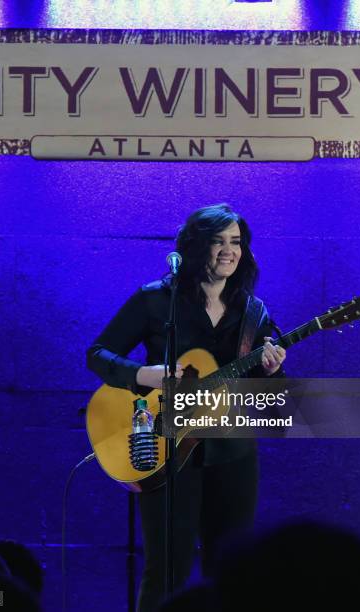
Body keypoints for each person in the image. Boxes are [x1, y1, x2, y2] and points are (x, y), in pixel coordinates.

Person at [87, 204, 286, 612]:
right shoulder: (157, 300)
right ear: (196, 247)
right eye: (218, 241)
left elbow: (269, 394)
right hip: (166, 450)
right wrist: (146, 374)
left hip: (232, 452)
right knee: (166, 570)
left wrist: (271, 370)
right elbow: (97, 354)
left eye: (236, 242)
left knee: (232, 570)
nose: (230, 251)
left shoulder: (254, 312)